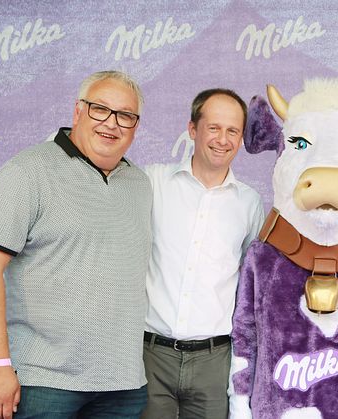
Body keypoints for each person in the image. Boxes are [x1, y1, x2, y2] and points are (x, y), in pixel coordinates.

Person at [0, 70, 151, 418]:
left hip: (123, 385)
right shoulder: (26, 172)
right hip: (44, 383)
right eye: (100, 109)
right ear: (77, 111)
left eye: (125, 115)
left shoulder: (139, 184)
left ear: (135, 126)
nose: (111, 123)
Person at [141, 88, 264, 419]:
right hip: (151, 356)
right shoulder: (153, 183)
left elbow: (252, 281)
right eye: (213, 128)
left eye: (232, 131)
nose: (222, 139)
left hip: (214, 359)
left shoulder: (250, 203)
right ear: (193, 129)